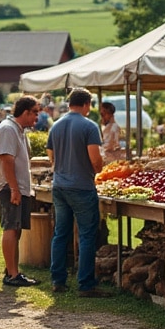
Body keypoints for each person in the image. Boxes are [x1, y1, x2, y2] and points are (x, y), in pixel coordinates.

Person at [46, 87, 109, 297]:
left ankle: (58, 279)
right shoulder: (89, 126)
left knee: (60, 233)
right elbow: (95, 159)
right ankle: (85, 283)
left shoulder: (56, 126)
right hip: (81, 186)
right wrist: (98, 168)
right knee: (87, 235)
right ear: (86, 104)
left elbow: (50, 156)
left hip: (60, 185)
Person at [0, 95, 41, 287]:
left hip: (14, 187)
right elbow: (6, 160)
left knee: (16, 228)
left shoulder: (18, 130)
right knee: (11, 228)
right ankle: (12, 274)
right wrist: (14, 189)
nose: (37, 116)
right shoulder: (8, 129)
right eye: (35, 112)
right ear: (25, 112)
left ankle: (12, 270)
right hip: (7, 187)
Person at [98, 100, 124, 166]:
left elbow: (116, 145)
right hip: (103, 156)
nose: (102, 117)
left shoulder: (114, 127)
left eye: (103, 114)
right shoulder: (104, 126)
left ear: (109, 113)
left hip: (111, 159)